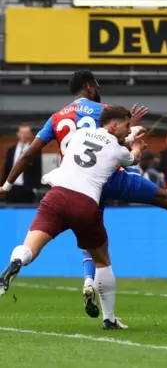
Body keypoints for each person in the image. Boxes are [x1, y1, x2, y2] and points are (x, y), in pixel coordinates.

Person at [0, 71, 167, 319]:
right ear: (90, 87)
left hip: (68, 185)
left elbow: (30, 154)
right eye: (97, 83)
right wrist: (133, 132)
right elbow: (124, 151)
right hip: (107, 178)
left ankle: (85, 280)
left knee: (82, 238)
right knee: (164, 201)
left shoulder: (57, 118)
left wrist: (6, 186)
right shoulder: (105, 112)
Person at [0, 106, 145, 330]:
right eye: (125, 126)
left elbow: (105, 139)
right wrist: (135, 144)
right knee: (102, 260)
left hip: (56, 197)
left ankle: (15, 263)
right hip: (84, 203)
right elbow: (131, 159)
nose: (127, 130)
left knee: (30, 247)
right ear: (114, 125)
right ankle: (109, 319)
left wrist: (130, 130)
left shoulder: (80, 134)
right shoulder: (118, 150)